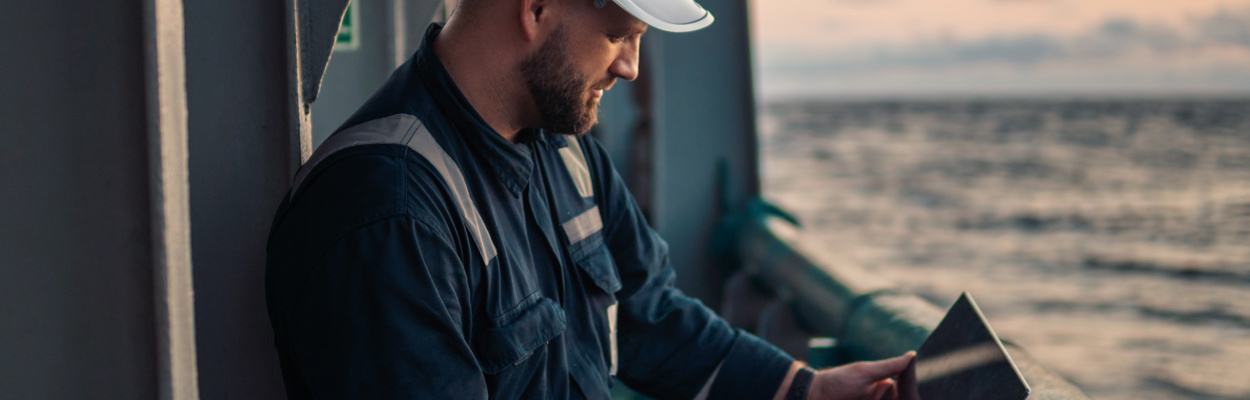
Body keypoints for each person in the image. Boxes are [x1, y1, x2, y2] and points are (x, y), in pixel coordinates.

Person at [265, 0, 914, 398]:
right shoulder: (387, 211)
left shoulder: (563, 150)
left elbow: (646, 316)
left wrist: (807, 390)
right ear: (537, 7)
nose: (630, 66)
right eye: (620, 34)